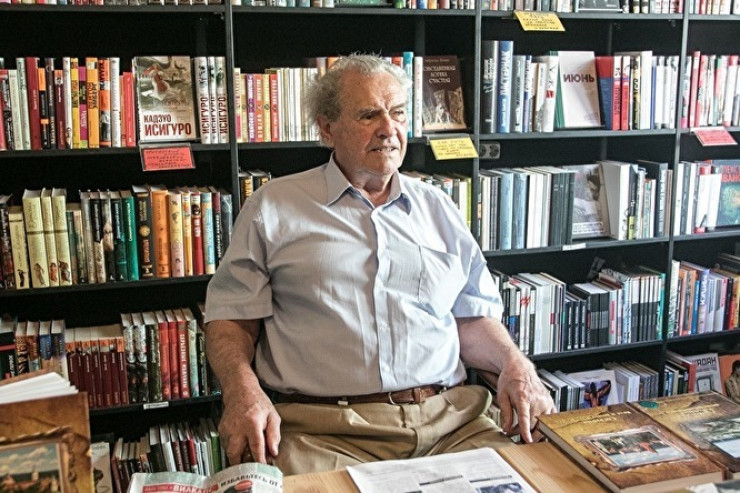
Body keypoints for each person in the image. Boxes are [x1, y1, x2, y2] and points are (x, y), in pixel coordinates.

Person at [204, 54, 556, 475]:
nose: (389, 129)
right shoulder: (274, 206)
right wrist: (241, 392)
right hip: (324, 432)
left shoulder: (438, 207)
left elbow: (471, 317)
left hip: (453, 424)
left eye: (398, 113)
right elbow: (230, 318)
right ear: (327, 128)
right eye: (369, 115)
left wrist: (515, 364)